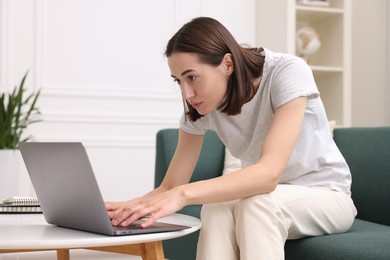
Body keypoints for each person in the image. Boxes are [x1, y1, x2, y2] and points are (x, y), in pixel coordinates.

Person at [106, 17, 357, 260]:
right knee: (215, 209)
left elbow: (268, 174)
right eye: (178, 81)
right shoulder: (201, 108)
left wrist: (184, 195)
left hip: (326, 195)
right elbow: (171, 186)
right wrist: (126, 209)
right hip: (262, 197)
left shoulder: (287, 72)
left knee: (258, 206)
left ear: (227, 64)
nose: (186, 93)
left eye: (192, 77)